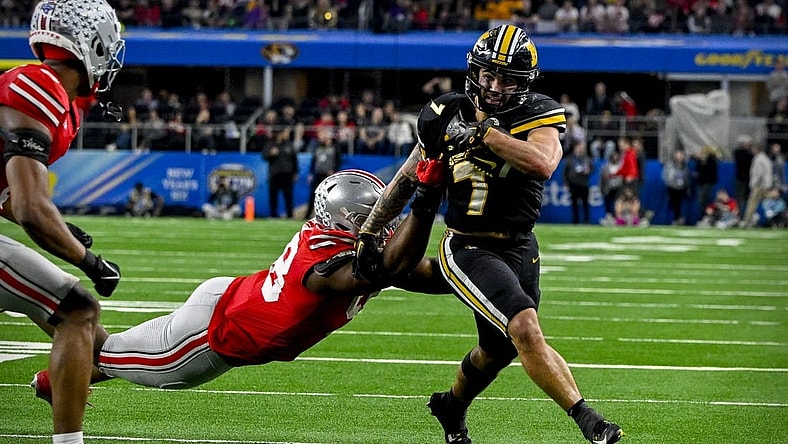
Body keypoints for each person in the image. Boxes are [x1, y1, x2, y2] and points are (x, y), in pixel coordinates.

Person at [353, 24, 622, 444]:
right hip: (468, 245)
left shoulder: (539, 113)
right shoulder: (445, 113)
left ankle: (450, 406)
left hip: (520, 247)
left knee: (497, 351)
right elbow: (406, 180)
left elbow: (543, 162)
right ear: (473, 71)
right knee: (525, 328)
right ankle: (587, 419)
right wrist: (369, 230)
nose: (495, 86)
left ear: (525, 82)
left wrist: (484, 134)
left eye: (508, 78)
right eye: (488, 75)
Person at [31, 166, 447, 408]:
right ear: (347, 220)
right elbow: (381, 269)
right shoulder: (331, 262)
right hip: (207, 341)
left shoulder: (338, 240)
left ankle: (56, 379)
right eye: (373, 216)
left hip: (227, 302)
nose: (388, 223)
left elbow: (422, 271)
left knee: (117, 351)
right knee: (100, 344)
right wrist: (426, 197)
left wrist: (484, 277)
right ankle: (28, 294)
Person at [0, 1, 125, 443]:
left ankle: (56, 384)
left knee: (96, 343)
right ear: (90, 45)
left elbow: (11, 199)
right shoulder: (37, 84)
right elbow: (32, 208)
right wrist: (90, 261)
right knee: (79, 311)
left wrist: (61, 229)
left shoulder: (54, 97)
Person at [262, 134, 299, 218]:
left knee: (288, 196)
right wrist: (271, 153)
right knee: (273, 196)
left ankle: (290, 215)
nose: (287, 134)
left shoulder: (289, 144)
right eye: (284, 132)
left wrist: (296, 172)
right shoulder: (271, 144)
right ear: (279, 134)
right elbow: (264, 156)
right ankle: (273, 215)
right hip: (275, 174)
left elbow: (294, 159)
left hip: (287, 174)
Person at [740, 142, 773, 228]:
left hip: (759, 185)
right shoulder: (765, 158)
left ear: (756, 149)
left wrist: (754, 184)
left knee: (752, 203)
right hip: (765, 185)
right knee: (767, 202)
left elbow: (759, 173)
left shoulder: (759, 159)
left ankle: (747, 221)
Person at [563, 141, 594, 224]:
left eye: (582, 148)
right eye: (579, 147)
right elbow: (565, 172)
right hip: (573, 184)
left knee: (585, 203)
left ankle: (586, 220)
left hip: (584, 183)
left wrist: (589, 171)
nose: (580, 150)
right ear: (575, 148)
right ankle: (575, 220)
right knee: (574, 204)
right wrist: (566, 182)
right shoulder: (570, 159)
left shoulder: (586, 159)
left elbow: (592, 168)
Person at [661, 149, 691, 225]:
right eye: (677, 155)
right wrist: (669, 183)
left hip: (682, 187)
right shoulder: (670, 165)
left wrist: (687, 185)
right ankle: (677, 218)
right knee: (674, 203)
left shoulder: (685, 166)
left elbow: (687, 176)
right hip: (672, 186)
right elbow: (665, 175)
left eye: (680, 155)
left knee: (679, 203)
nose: (679, 157)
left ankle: (679, 218)